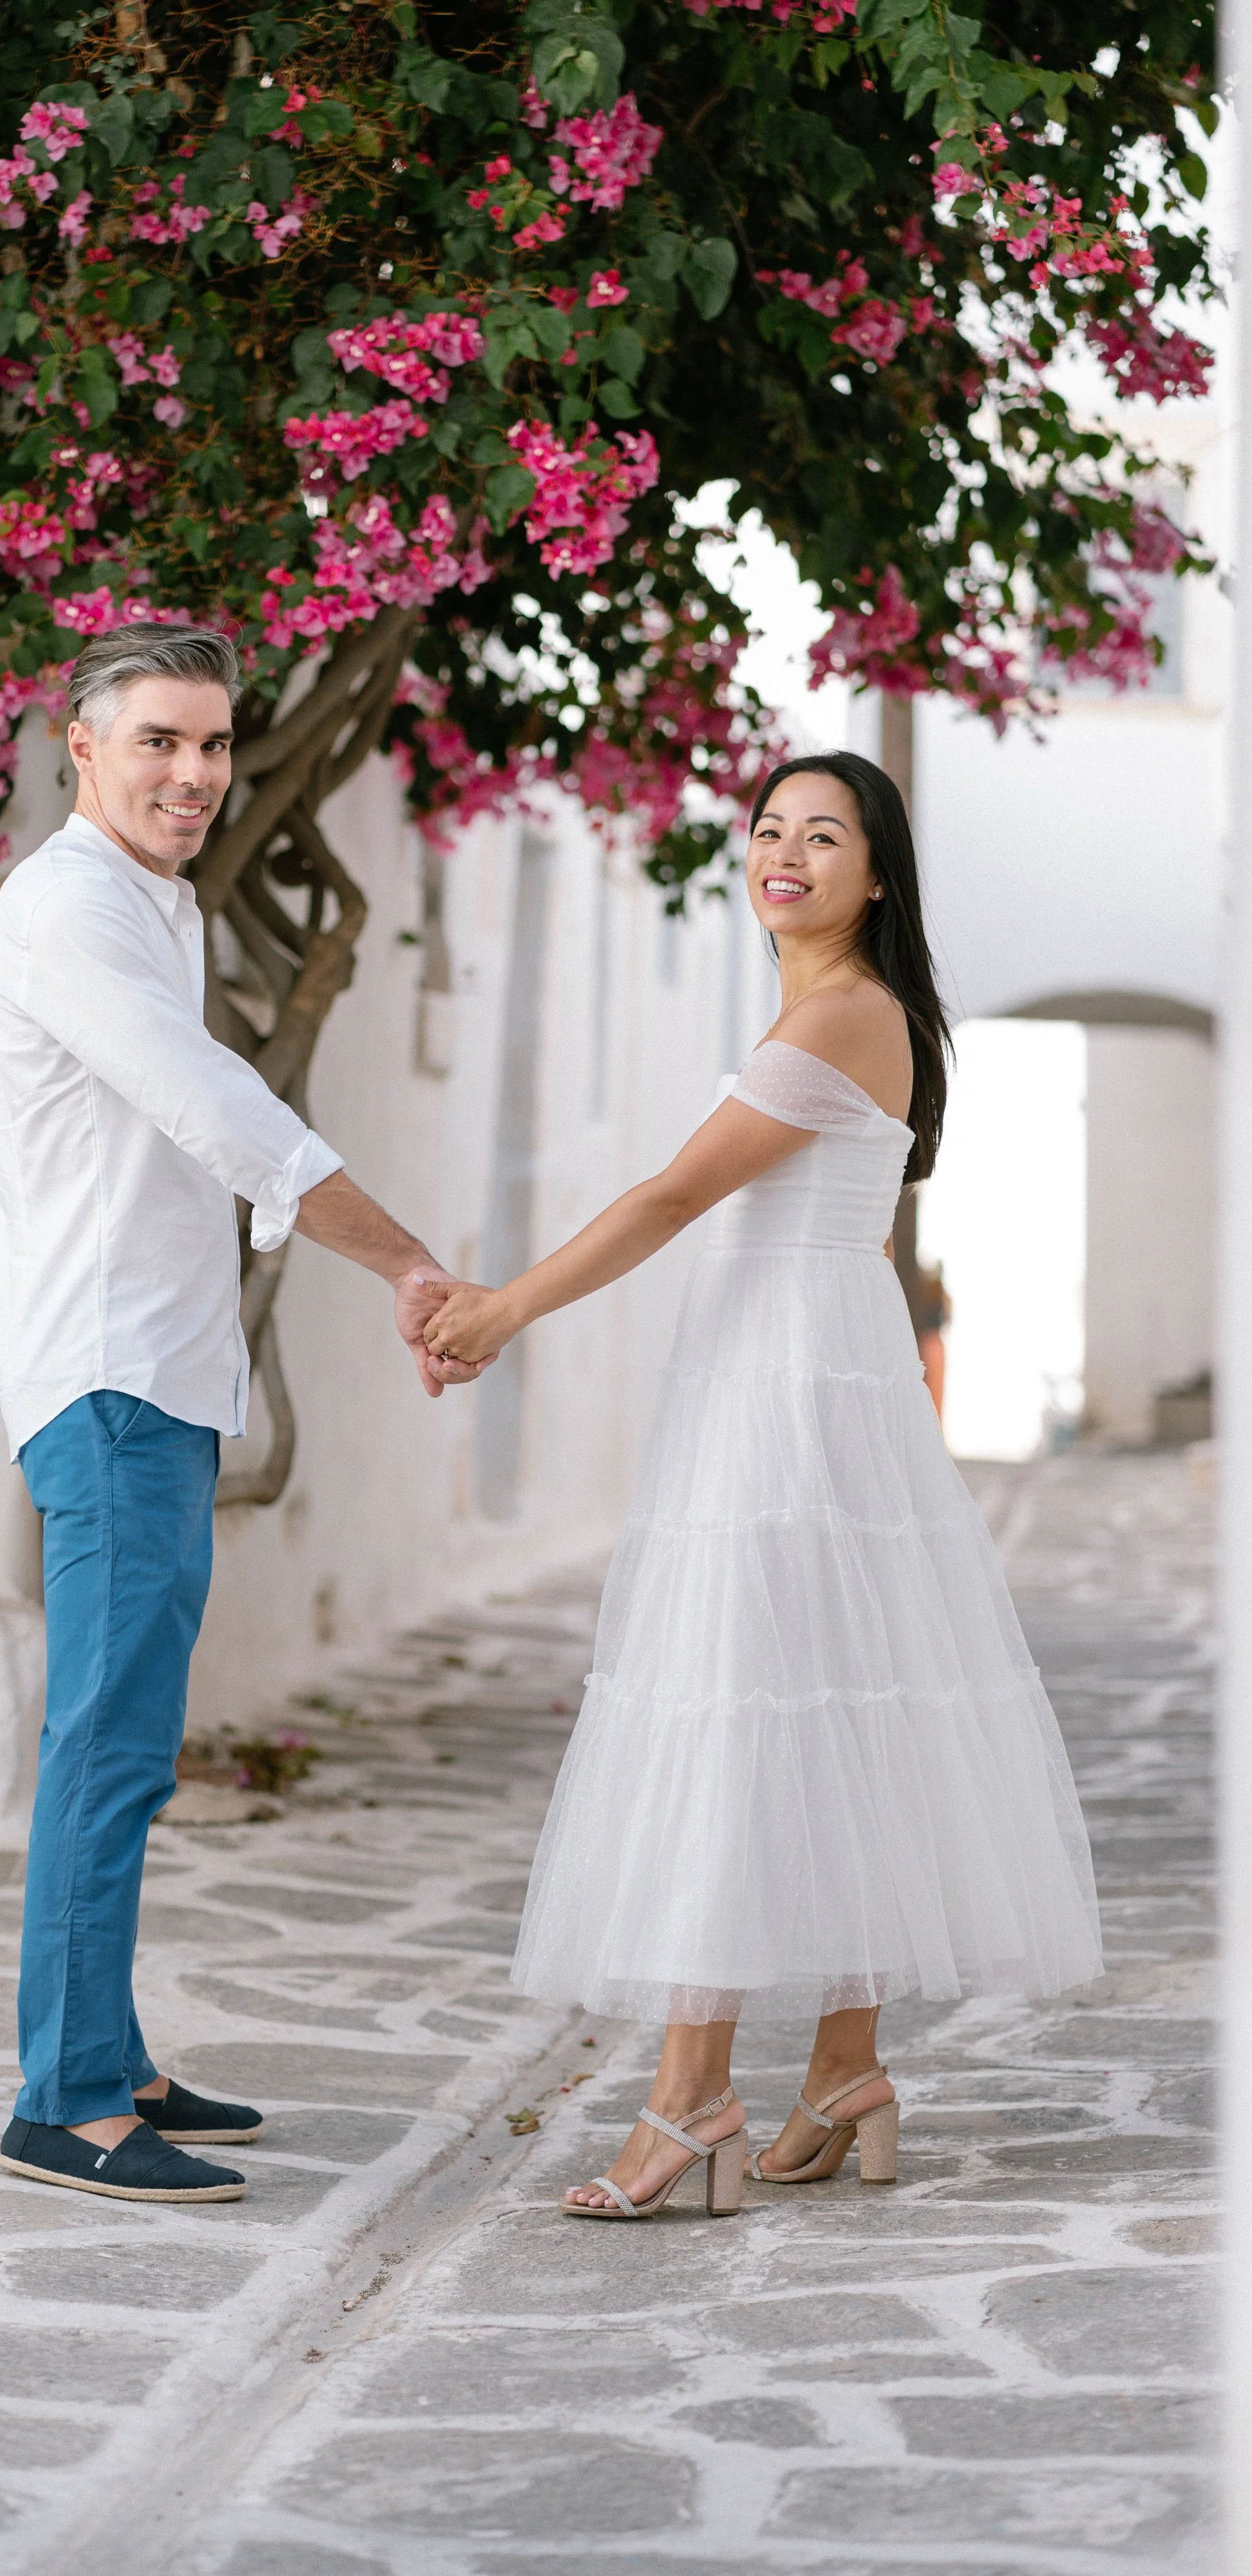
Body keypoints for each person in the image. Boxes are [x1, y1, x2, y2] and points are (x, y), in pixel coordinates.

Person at [421, 753, 1102, 2220]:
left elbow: (674, 1194)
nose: (781, 853)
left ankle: (687, 2104)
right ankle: (841, 2073)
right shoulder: (842, 1011)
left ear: (875, 873)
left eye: (821, 835)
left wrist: (501, 1309)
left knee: (733, 1710)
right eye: (767, 829)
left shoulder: (845, 1014)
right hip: (810, 1375)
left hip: (785, 1396)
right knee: (827, 1707)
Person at [0, 624, 481, 2209]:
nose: (194, 773)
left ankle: (107, 2054)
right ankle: (61, 2100)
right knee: (107, 1747)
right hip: (113, 1382)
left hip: (164, 1378)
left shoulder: (151, 907)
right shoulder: (70, 912)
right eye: (158, 743)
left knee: (128, 1739)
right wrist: (403, 1256)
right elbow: (214, 1111)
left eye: (212, 744)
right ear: (80, 744)